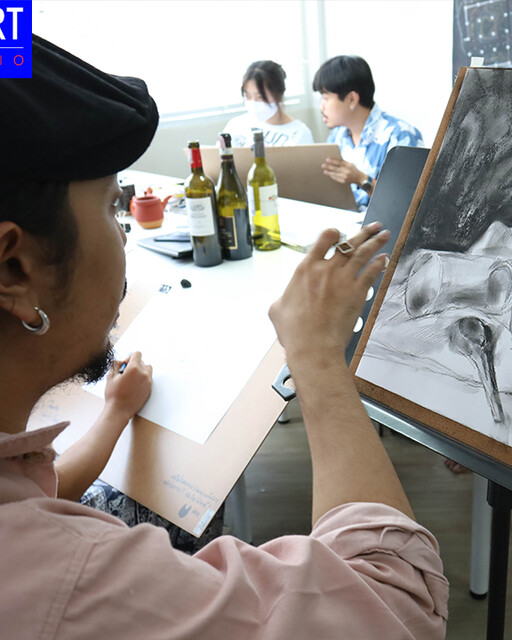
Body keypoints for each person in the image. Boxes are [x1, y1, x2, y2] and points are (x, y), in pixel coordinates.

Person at [0, 36, 448, 639]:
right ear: (14, 268)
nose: (125, 234)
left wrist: (112, 415)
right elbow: (396, 611)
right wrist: (316, 355)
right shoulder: (73, 576)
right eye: (112, 208)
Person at [313, 55, 424, 210]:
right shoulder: (337, 135)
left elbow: (409, 205)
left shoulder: (400, 135)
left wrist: (361, 179)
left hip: (381, 224)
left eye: (326, 98)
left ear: (352, 99)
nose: (321, 107)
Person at [223, 60, 314, 147]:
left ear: (279, 94)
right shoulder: (235, 125)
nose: (253, 102)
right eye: (248, 96)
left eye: (260, 96)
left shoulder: (299, 133)